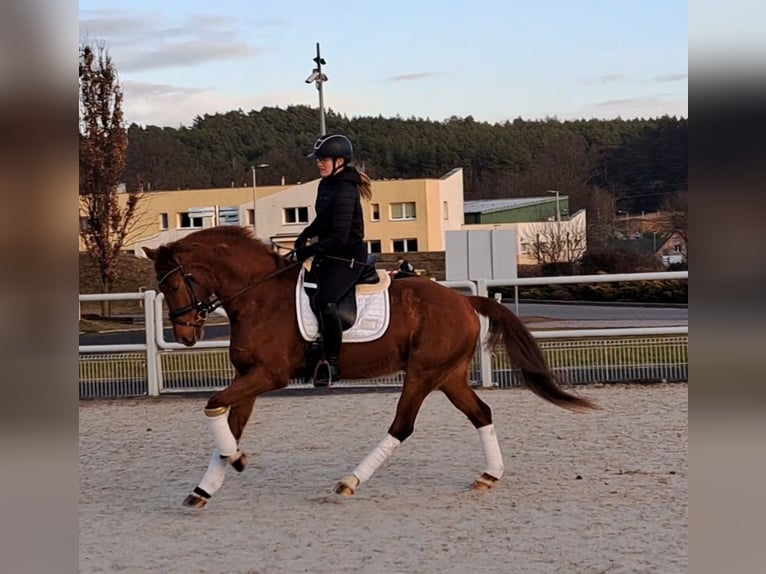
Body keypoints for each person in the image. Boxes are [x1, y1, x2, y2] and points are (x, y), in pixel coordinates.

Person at [293, 133, 373, 386]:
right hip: (331, 253)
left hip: (348, 255)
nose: (320, 163)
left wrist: (311, 250)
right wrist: (306, 235)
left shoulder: (346, 188)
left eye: (324, 159)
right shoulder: (326, 184)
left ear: (340, 161)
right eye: (319, 159)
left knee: (327, 301)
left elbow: (341, 235)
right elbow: (323, 220)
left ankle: (333, 363)